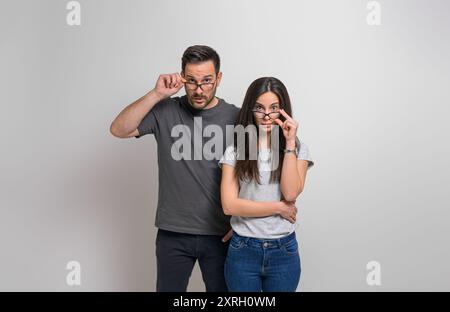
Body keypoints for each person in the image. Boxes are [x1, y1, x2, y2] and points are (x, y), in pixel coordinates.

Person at [110, 45, 239, 291]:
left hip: (221, 233)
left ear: (219, 79)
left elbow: (258, 173)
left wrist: (244, 221)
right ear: (182, 78)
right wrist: (156, 94)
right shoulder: (166, 110)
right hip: (173, 233)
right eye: (191, 81)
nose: (199, 89)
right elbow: (119, 129)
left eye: (206, 81)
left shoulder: (236, 117)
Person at [219, 77, 314, 292]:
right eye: (260, 108)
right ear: (251, 110)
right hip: (243, 248)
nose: (267, 115)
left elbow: (290, 194)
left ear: (283, 110)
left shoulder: (298, 149)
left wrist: (289, 143)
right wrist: (278, 208)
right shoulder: (235, 150)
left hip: (284, 250)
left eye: (274, 108)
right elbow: (229, 205)